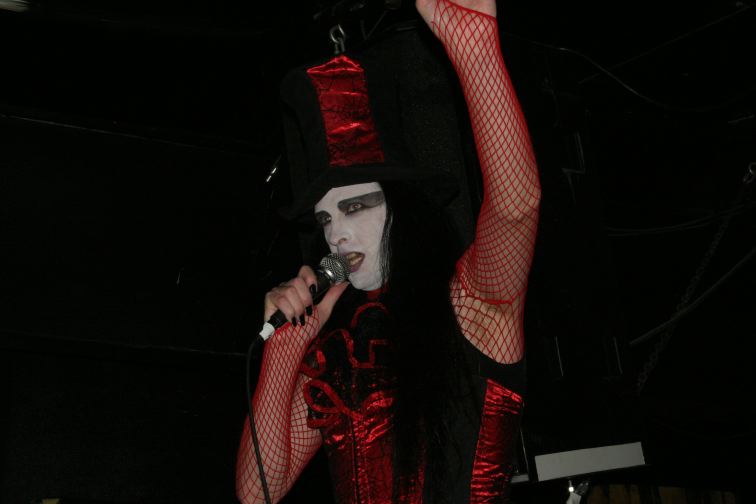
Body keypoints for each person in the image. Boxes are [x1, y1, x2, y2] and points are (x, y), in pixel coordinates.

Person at [236, 0, 541, 502]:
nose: (336, 235)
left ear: (404, 209)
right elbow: (256, 494)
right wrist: (284, 349)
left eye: (355, 207)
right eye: (325, 219)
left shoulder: (470, 306)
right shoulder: (338, 355)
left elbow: (516, 209)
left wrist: (475, 52)